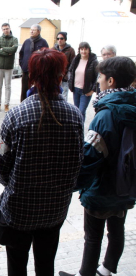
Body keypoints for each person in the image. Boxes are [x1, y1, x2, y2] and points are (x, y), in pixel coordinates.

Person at [0, 49, 84, 276]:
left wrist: (15, 183)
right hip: (55, 210)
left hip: (19, 210)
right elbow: (77, 164)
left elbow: (0, 166)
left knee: (16, 266)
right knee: (46, 265)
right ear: (60, 76)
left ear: (31, 76)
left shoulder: (16, 115)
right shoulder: (75, 117)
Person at [59, 57, 136, 276]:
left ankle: (86, 273)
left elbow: (91, 158)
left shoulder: (105, 114)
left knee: (93, 236)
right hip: (125, 186)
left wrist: (73, 185)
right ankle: (107, 270)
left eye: (100, 77)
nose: (98, 81)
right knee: (117, 230)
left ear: (110, 81)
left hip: (100, 189)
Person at [68, 42, 99, 123]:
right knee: (75, 111)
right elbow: (70, 71)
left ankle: (80, 130)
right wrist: (70, 83)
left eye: (86, 49)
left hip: (86, 91)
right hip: (76, 89)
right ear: (79, 50)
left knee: (81, 111)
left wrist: (93, 90)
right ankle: (75, 127)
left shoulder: (94, 61)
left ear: (89, 50)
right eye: (82, 49)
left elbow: (98, 77)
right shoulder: (76, 59)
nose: (83, 51)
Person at [19, 24, 49, 102]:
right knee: (24, 90)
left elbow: (47, 56)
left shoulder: (43, 42)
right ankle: (23, 104)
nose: (31, 31)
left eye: (34, 30)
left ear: (38, 31)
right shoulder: (27, 41)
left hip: (37, 72)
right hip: (26, 70)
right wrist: (22, 64)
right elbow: (21, 53)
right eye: (31, 29)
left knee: (37, 90)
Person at [0, 23, 18, 112]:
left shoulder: (14, 39)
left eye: (7, 28)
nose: (5, 30)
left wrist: (2, 49)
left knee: (8, 86)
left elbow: (14, 49)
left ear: (10, 28)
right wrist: (8, 51)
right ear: (2, 30)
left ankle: (6, 104)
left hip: (9, 66)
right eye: (4, 29)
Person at [52, 32, 76, 101]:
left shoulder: (70, 50)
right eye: (58, 38)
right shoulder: (53, 49)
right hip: (54, 77)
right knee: (53, 94)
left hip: (65, 77)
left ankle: (63, 109)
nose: (59, 40)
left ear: (65, 39)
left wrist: (66, 76)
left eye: (61, 38)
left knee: (64, 95)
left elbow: (72, 65)